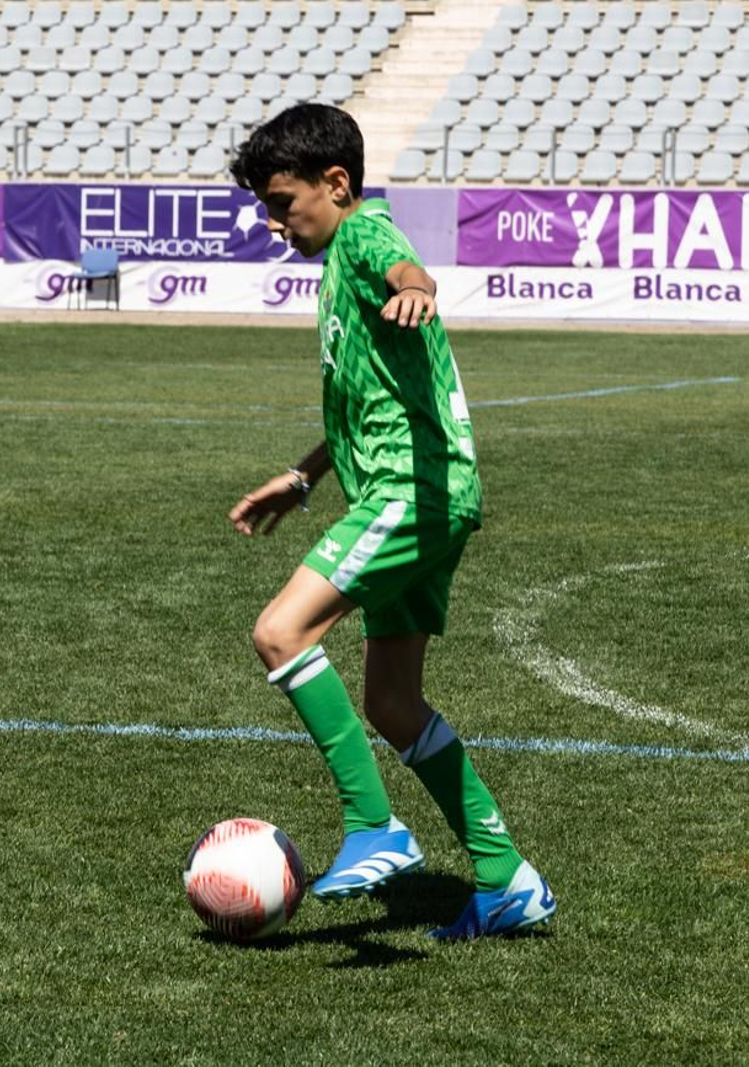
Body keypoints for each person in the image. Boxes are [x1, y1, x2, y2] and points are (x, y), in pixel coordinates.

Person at [227, 104, 554, 940]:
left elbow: (411, 272)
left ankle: (373, 825)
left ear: (336, 184)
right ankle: (503, 875)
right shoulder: (337, 260)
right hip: (425, 494)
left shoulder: (363, 237)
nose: (273, 219)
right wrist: (302, 478)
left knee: (280, 632)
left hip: (412, 492)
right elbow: (370, 398)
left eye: (282, 200)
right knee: (393, 700)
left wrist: (416, 291)